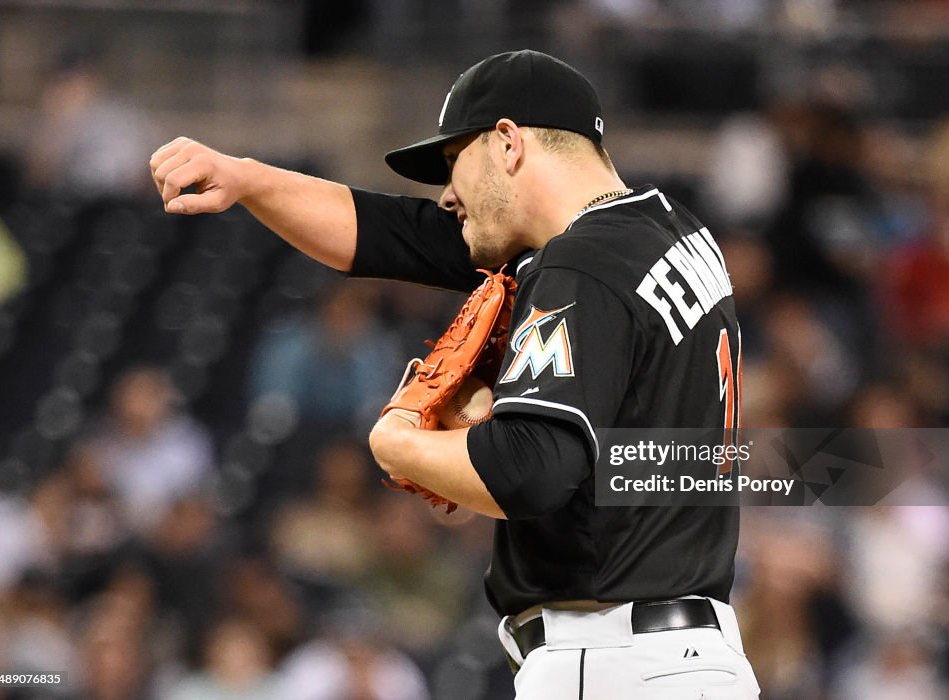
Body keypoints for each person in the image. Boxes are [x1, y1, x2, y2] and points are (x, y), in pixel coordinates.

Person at [151, 49, 759, 699]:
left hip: (611, 660)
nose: (446, 195)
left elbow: (529, 470)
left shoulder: (578, 266)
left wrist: (399, 443)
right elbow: (393, 235)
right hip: (693, 657)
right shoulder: (668, 228)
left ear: (507, 144)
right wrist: (247, 179)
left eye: (452, 164)